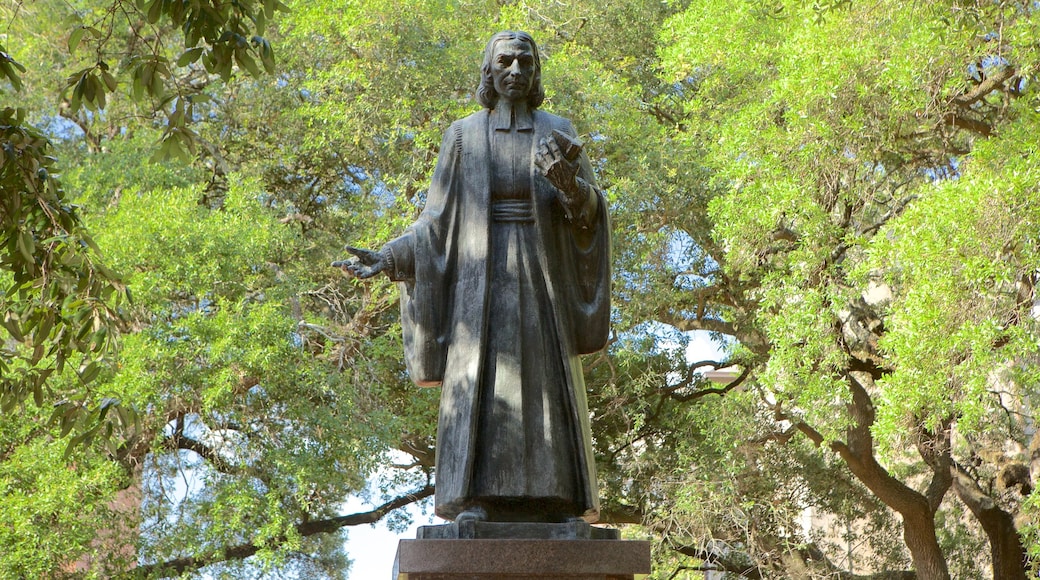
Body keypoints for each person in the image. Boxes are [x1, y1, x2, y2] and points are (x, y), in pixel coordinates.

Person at [336, 31, 610, 524]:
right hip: (477, 287)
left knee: (545, 383)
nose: (516, 69)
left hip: (542, 281)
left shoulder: (558, 130)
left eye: (525, 61)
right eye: (504, 60)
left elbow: (590, 216)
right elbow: (435, 221)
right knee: (480, 382)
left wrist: (572, 188)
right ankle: (476, 498)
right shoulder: (463, 135)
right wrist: (393, 256)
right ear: (488, 71)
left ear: (536, 71)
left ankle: (560, 500)